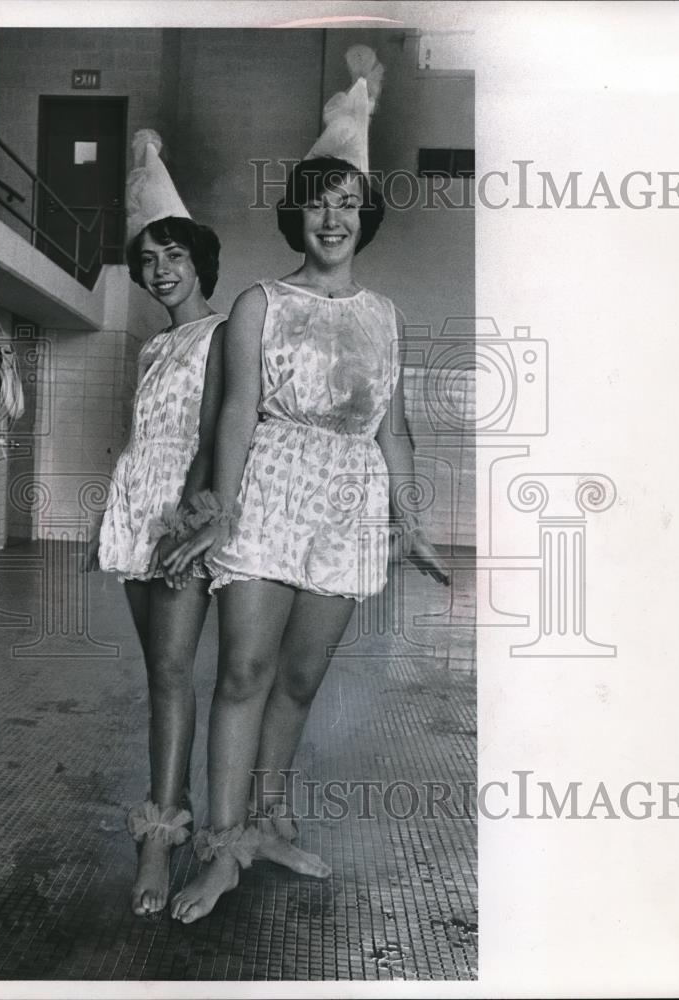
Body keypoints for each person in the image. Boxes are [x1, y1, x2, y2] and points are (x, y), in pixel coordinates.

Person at [162, 48, 449, 924]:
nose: (332, 217)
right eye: (319, 202)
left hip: (349, 505)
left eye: (348, 203)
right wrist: (221, 512)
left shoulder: (384, 317)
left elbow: (391, 429)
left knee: (298, 678)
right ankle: (217, 852)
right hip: (271, 492)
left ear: (365, 217)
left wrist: (410, 522)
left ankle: (269, 824)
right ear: (299, 213)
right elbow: (236, 417)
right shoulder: (257, 303)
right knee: (243, 670)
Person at [86, 130, 227, 917]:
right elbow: (142, 441)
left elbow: (215, 436)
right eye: (146, 260)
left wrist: (188, 522)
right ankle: (172, 820)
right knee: (158, 678)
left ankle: (160, 836)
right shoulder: (152, 348)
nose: (159, 270)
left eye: (171, 254)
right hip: (137, 514)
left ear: (199, 259)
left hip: (183, 516)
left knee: (174, 676)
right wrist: (115, 517)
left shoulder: (221, 334)